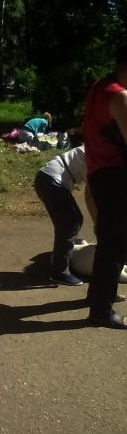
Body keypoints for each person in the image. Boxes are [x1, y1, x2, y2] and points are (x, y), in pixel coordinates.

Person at [83, 43, 127, 329]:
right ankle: (101, 309)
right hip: (117, 176)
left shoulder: (99, 87)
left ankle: (100, 294)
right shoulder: (119, 96)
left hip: (98, 173)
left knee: (110, 240)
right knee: (116, 242)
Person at [34, 145, 96, 286]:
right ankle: (60, 272)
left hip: (47, 177)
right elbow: (90, 197)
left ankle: (60, 258)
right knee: (70, 222)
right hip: (51, 180)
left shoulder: (101, 148)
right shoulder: (100, 155)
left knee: (72, 221)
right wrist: (97, 224)